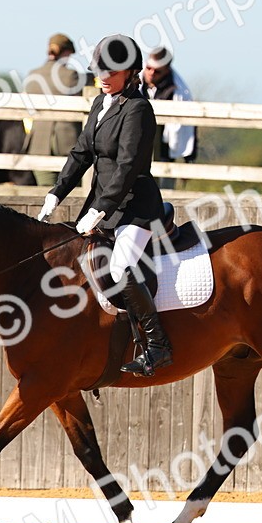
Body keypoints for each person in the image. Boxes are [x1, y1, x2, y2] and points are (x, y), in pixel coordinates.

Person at [37, 34, 172, 377]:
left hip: (135, 208)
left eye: (111, 71)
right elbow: (81, 153)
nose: (103, 77)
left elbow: (127, 167)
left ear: (130, 72)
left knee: (118, 269)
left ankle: (157, 347)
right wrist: (56, 194)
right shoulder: (100, 103)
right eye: (99, 70)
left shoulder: (138, 109)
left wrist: (102, 210)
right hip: (101, 203)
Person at [24, 33, 86, 187]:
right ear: (66, 53)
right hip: (65, 142)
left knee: (45, 191)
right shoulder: (71, 75)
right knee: (70, 192)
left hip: (38, 143)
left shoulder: (33, 75)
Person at [141, 46, 197, 189]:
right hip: (137, 147)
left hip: (165, 149)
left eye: (157, 71)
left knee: (165, 192)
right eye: (148, 68)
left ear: (167, 70)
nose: (151, 73)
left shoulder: (179, 93)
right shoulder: (135, 84)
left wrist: (188, 161)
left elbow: (188, 129)